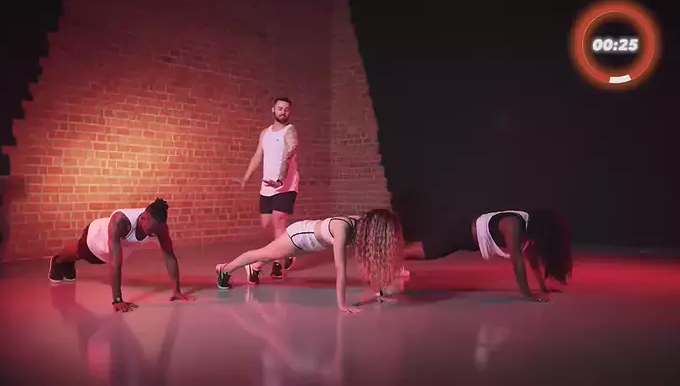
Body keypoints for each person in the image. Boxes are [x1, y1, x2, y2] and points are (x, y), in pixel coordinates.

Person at [214, 209, 405, 313]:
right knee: (262, 254)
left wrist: (379, 292)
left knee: (266, 255)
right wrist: (342, 304)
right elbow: (340, 269)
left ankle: (254, 267)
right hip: (299, 237)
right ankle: (225, 269)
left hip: (313, 244)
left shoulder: (362, 228)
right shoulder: (343, 229)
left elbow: (370, 260)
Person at [47, 198, 195, 312]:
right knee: (82, 252)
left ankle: (68, 263)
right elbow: (116, 263)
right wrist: (117, 300)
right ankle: (58, 260)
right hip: (97, 236)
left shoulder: (159, 227)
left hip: (118, 247)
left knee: (92, 258)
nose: (153, 234)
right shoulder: (120, 221)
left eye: (155, 231)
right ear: (143, 218)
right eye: (150, 230)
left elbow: (169, 255)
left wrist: (177, 291)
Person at [406, 209, 573, 302]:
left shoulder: (527, 232)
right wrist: (528, 295)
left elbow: (532, 259)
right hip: (461, 234)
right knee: (429, 252)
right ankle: (395, 253)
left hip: (469, 238)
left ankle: (397, 250)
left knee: (425, 248)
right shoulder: (513, 225)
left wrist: (542, 286)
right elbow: (517, 262)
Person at [240, 97, 300, 280]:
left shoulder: (290, 131)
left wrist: (280, 179)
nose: (283, 112)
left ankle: (277, 264)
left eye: (287, 109)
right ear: (273, 109)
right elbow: (258, 155)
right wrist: (246, 177)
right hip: (267, 186)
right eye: (280, 108)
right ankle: (288, 251)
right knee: (266, 225)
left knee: (278, 222)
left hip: (285, 185)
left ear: (290, 112)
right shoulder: (265, 133)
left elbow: (289, 155)